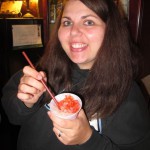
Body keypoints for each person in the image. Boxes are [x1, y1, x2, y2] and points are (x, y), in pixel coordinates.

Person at [1, 0, 150, 150]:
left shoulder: (128, 96)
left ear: (111, 30)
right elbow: (12, 115)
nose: (73, 31)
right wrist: (26, 103)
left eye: (89, 22)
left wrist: (88, 140)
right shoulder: (42, 70)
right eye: (67, 23)